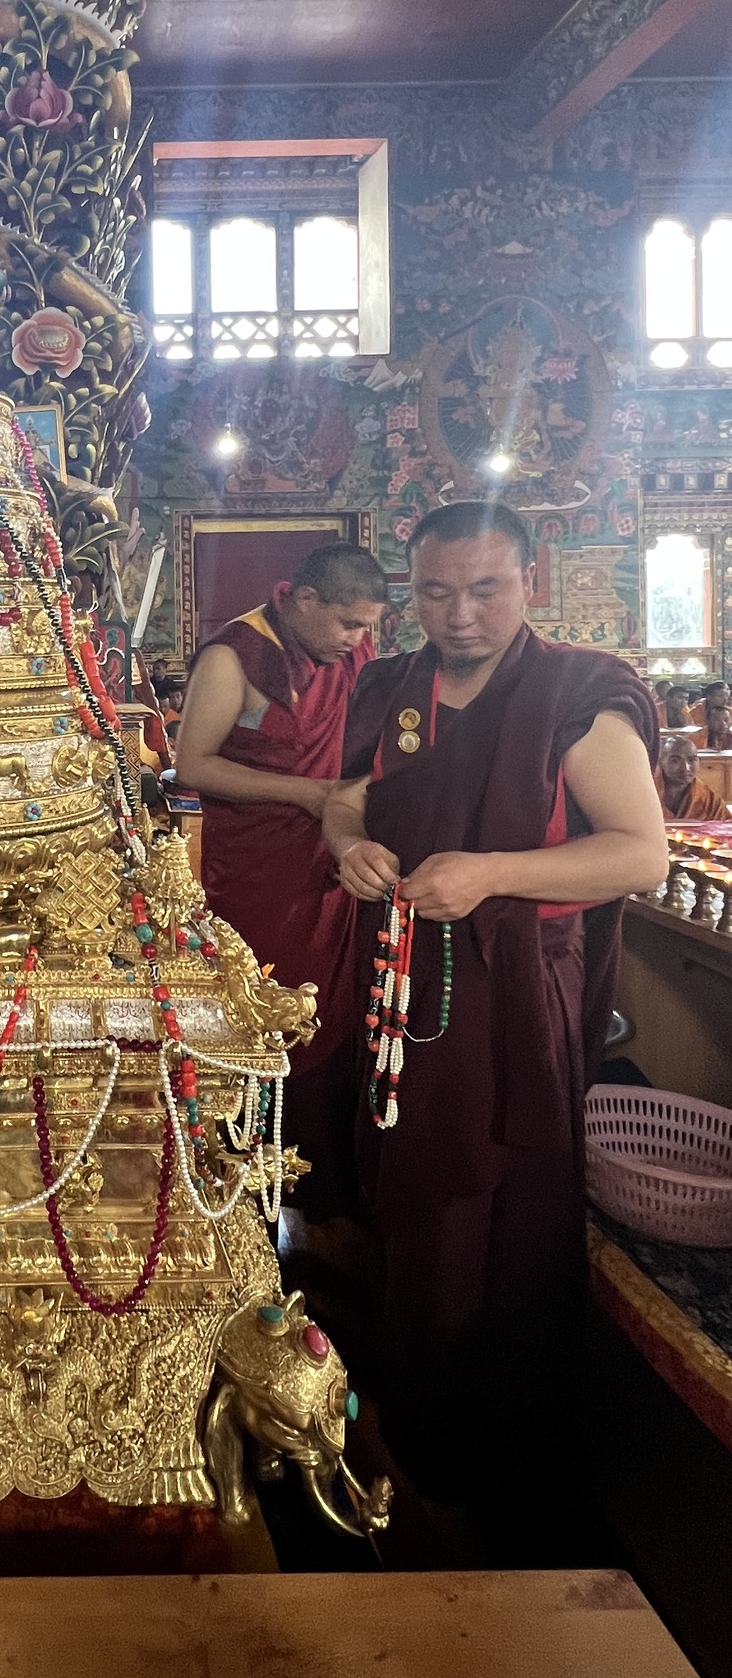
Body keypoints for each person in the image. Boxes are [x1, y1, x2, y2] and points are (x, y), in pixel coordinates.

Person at [322, 501, 664, 1528]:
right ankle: (416, 1416)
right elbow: (346, 796)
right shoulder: (390, 685)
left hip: (514, 989)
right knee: (411, 1193)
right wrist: (349, 844)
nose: (459, 613)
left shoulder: (576, 693)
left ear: (530, 581)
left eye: (485, 589)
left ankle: (499, 1450)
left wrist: (493, 873)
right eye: (434, 592)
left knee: (502, 1209)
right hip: (403, 975)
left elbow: (639, 853)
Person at [174, 544, 387, 1218]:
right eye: (349, 623)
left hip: (336, 860)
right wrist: (307, 793)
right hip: (259, 875)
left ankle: (328, 1188)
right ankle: (246, 1188)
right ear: (304, 599)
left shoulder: (351, 654)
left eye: (367, 627)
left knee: (339, 1005)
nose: (358, 639)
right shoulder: (235, 655)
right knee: (262, 1008)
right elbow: (193, 766)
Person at [655, 729, 730, 821]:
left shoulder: (703, 795)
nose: (686, 768)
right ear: (660, 762)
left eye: (691, 760)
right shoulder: (648, 791)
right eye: (675, 761)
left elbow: (726, 823)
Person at [699, 680, 732, 752]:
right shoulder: (698, 710)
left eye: (726, 695)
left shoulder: (729, 711)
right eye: (720, 696)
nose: (725, 699)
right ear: (708, 697)